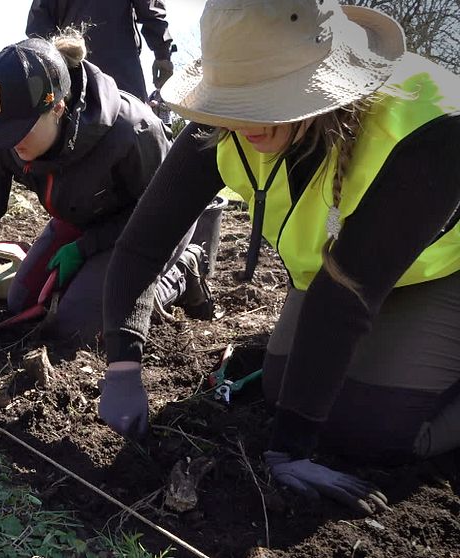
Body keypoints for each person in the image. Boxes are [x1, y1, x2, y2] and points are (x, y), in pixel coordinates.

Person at [99, 0, 460, 515]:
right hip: (338, 276)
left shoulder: (430, 125)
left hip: (442, 268)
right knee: (280, 390)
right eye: (239, 100)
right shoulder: (220, 122)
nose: (250, 121)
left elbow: (348, 295)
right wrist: (122, 363)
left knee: (373, 430)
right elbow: (142, 244)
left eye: (268, 100)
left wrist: (290, 450)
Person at [0, 31, 211, 344]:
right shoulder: (6, 141)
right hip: (82, 217)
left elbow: (161, 214)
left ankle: (182, 270)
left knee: (83, 325)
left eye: (20, 130)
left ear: (57, 108)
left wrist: (86, 247)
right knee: (22, 300)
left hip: (154, 225)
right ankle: (96, 282)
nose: (11, 142)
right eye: (1, 130)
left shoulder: (131, 130)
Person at [25, 0, 174, 102]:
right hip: (121, 73)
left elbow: (38, 28)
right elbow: (150, 7)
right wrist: (162, 54)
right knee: (138, 131)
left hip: (73, 74)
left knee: (77, 136)